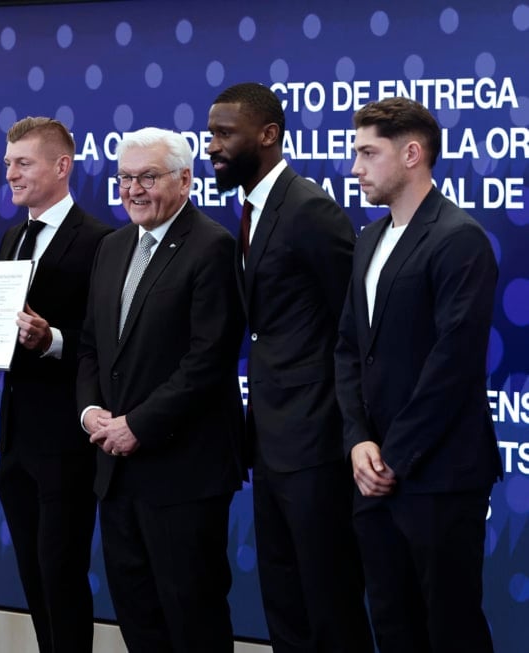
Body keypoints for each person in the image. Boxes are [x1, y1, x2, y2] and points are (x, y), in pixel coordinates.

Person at [207, 83, 373, 652]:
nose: (212, 146)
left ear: (268, 135)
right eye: (210, 134)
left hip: (318, 443)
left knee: (329, 603)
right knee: (284, 600)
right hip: (272, 443)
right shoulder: (252, 211)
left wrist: (352, 428)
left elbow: (354, 326)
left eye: (225, 134)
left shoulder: (308, 209)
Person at [335, 97, 502, 652]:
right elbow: (349, 348)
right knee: (393, 627)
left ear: (411, 154)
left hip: (439, 476)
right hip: (372, 476)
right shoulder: (367, 240)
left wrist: (394, 457)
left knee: (451, 630)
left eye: (367, 153)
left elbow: (454, 364)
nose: (354, 168)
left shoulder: (458, 238)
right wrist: (358, 440)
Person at [76, 127, 245, 653]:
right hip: (116, 470)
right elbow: (90, 345)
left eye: (148, 177)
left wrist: (138, 426)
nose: (133, 189)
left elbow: (208, 360)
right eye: (125, 178)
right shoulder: (112, 246)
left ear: (185, 180)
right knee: (138, 618)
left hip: (183, 473)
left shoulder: (212, 246)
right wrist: (90, 411)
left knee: (192, 619)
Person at [0, 116, 111, 653]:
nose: (10, 174)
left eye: (23, 163)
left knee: (61, 577)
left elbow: (105, 341)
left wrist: (52, 339)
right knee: (34, 580)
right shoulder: (11, 238)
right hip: (15, 441)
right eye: (7, 163)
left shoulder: (101, 241)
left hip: (66, 440)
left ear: (62, 166)